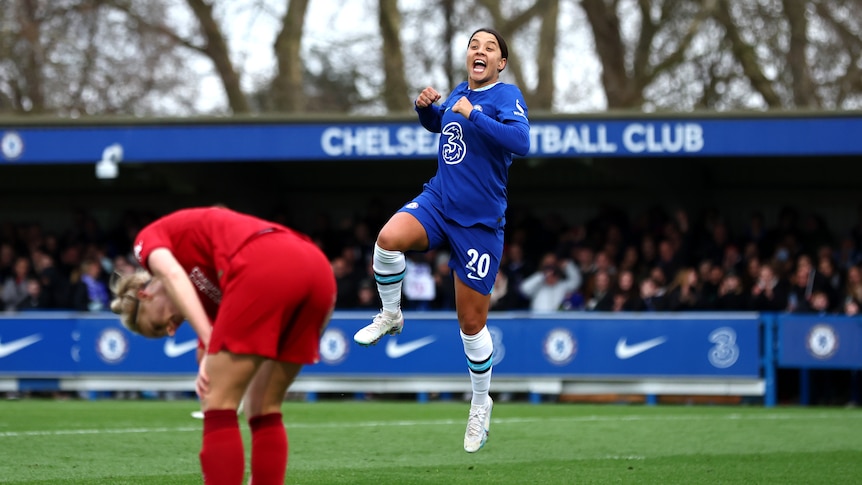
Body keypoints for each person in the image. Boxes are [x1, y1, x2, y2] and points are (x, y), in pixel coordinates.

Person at [352, 27, 529, 453]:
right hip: (440, 200)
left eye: (490, 48)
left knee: (471, 325)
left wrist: (472, 113)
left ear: (501, 63)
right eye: (474, 45)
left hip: (480, 222)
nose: (480, 51)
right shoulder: (458, 92)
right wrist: (426, 109)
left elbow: (521, 142)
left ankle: (481, 402)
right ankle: (391, 315)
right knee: (387, 239)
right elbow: (441, 127)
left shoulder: (505, 96)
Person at [109, 206, 336, 485]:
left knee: (217, 403)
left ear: (144, 295)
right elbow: (211, 331)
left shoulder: (146, 243)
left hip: (265, 260)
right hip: (317, 269)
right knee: (263, 406)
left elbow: (173, 276)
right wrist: (207, 348)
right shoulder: (208, 291)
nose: (170, 330)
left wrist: (210, 342)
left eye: (157, 326)